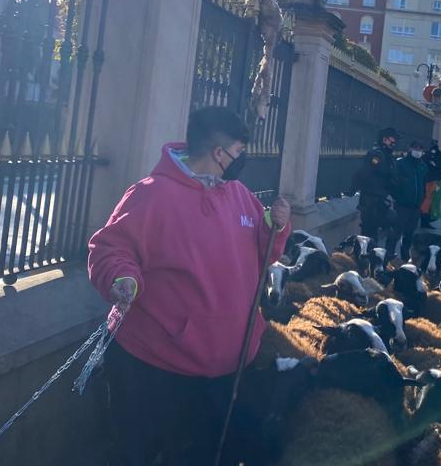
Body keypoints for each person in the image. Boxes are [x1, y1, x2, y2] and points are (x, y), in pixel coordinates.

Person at [87, 106, 291, 466]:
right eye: (240, 153)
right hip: (155, 366)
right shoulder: (152, 194)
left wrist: (274, 226)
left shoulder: (240, 194)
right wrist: (122, 278)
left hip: (223, 367)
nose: (243, 161)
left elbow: (264, 252)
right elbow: (110, 247)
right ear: (219, 153)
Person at [356, 127, 400, 243]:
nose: (394, 142)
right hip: (370, 202)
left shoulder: (388, 156)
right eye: (392, 139)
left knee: (390, 225)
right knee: (368, 237)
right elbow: (364, 174)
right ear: (384, 139)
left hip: (380, 201)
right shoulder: (377, 155)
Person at [391, 141, 429, 260]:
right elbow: (393, 182)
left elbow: (423, 184)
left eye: (420, 149)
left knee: (409, 235)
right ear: (410, 148)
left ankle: (405, 258)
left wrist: (422, 200)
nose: (418, 151)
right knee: (395, 234)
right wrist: (398, 197)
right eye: (415, 148)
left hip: (415, 206)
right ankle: (389, 256)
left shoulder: (423, 166)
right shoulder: (401, 164)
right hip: (402, 205)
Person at [420, 140, 441, 229]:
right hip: (430, 180)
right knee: (427, 201)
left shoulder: (437, 155)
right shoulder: (429, 155)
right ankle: (425, 219)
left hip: (434, 181)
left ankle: (427, 219)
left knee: (431, 201)